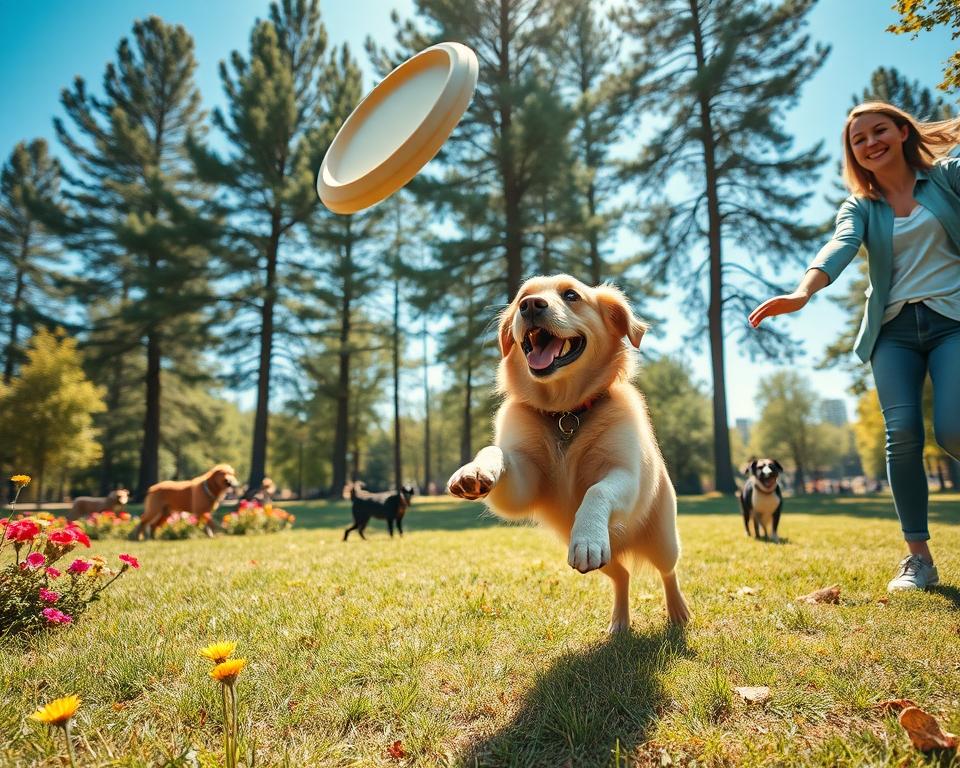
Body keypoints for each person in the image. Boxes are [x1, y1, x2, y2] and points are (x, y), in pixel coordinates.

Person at [749, 101, 960, 592]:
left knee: (953, 429)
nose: (870, 143)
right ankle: (919, 560)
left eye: (879, 130)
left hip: (953, 322)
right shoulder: (862, 207)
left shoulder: (946, 178)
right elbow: (841, 245)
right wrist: (803, 291)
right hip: (894, 333)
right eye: (858, 139)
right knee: (902, 432)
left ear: (903, 132)